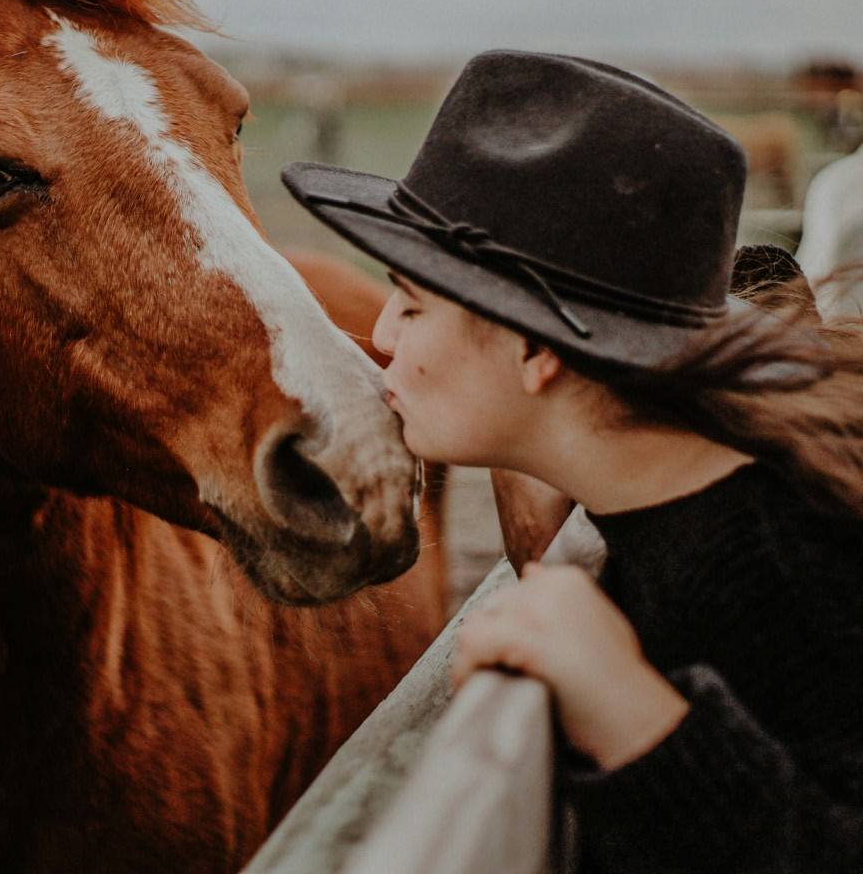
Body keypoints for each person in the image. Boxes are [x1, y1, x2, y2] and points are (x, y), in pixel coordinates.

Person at [282, 51, 863, 873]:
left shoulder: (789, 567)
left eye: (411, 302)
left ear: (533, 349)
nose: (381, 336)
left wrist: (634, 717)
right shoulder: (700, 509)